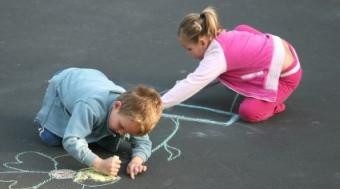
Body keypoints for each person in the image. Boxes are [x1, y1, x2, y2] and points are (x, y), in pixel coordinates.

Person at [161, 7, 302, 123]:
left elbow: (195, 82)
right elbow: (209, 77)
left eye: (189, 49)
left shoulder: (217, 56)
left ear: (203, 42)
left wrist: (159, 104)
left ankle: (273, 104)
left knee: (250, 112)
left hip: (287, 76)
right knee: (241, 29)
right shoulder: (217, 35)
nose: (188, 53)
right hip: (281, 46)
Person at [35, 67, 162, 179]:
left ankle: (91, 129)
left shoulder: (130, 115)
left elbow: (143, 142)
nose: (123, 133)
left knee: (103, 139)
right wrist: (99, 164)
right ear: (117, 106)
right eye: (121, 127)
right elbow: (72, 139)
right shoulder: (90, 106)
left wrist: (137, 161)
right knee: (51, 138)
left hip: (93, 79)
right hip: (65, 82)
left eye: (128, 132)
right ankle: (49, 122)